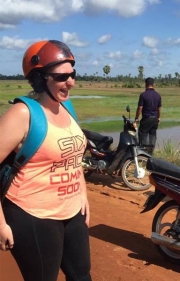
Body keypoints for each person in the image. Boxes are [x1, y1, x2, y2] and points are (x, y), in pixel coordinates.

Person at [0, 40, 92, 281]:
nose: (70, 82)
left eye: (72, 74)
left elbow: (73, 156)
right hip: (32, 214)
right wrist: (0, 223)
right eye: (61, 77)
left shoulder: (67, 107)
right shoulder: (22, 114)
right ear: (40, 79)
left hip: (72, 211)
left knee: (82, 276)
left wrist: (81, 191)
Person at [135, 77, 162, 154]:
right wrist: (159, 117)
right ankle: (151, 153)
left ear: (145, 84)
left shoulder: (143, 95)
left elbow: (140, 108)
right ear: (153, 85)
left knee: (142, 134)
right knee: (152, 135)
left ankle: (142, 153)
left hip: (146, 118)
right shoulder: (158, 95)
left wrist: (137, 118)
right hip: (155, 119)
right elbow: (159, 108)